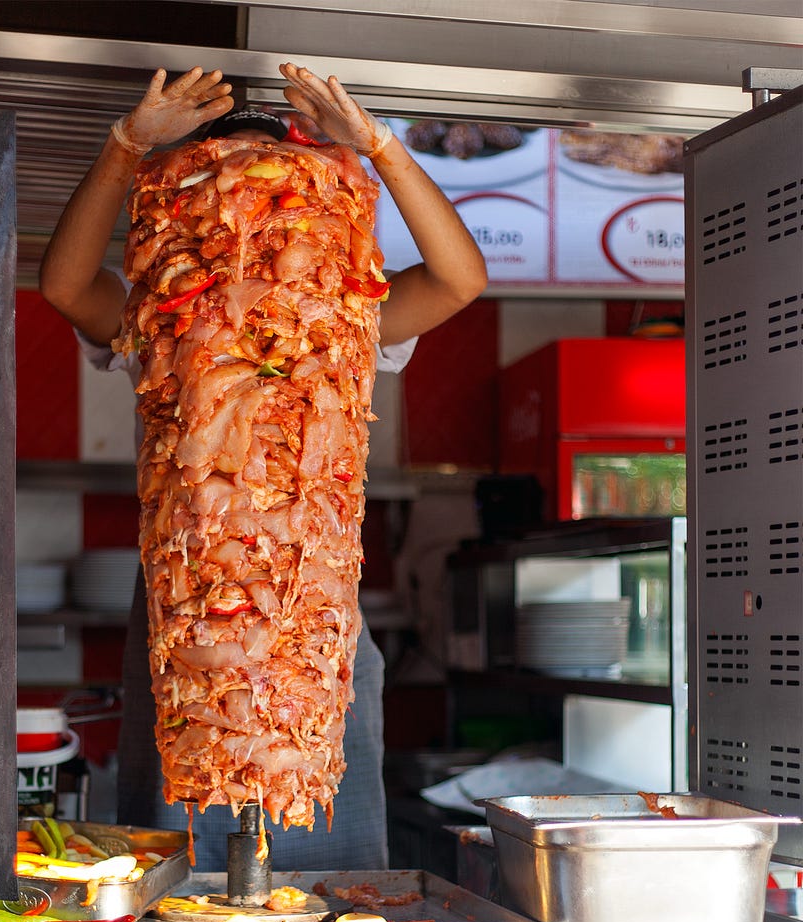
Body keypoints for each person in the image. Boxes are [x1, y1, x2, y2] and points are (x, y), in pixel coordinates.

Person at [40, 63, 487, 872]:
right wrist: (124, 149)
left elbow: (462, 279)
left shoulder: (348, 310)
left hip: (310, 617)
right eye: (226, 189)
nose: (249, 213)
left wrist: (379, 146)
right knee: (176, 860)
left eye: (273, 193)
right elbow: (65, 284)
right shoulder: (160, 314)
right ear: (187, 219)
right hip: (189, 615)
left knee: (330, 864)